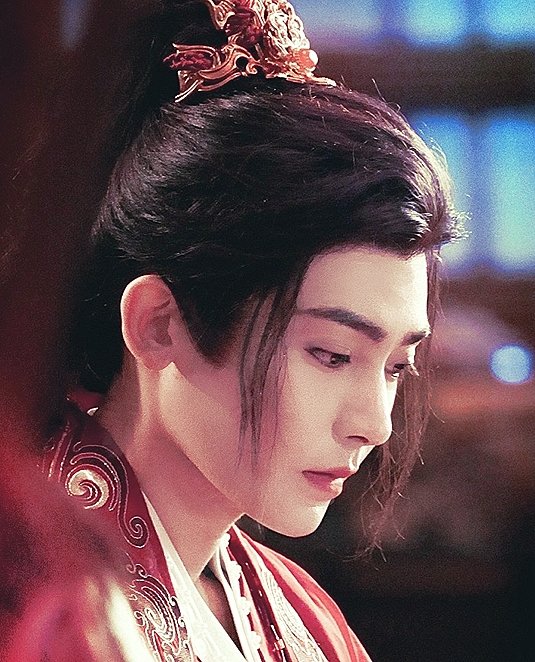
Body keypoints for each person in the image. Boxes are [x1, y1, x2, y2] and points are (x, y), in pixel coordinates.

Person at [41, 0, 458, 659]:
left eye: (395, 367)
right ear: (158, 325)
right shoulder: (33, 605)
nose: (374, 426)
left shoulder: (307, 620)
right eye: (331, 354)